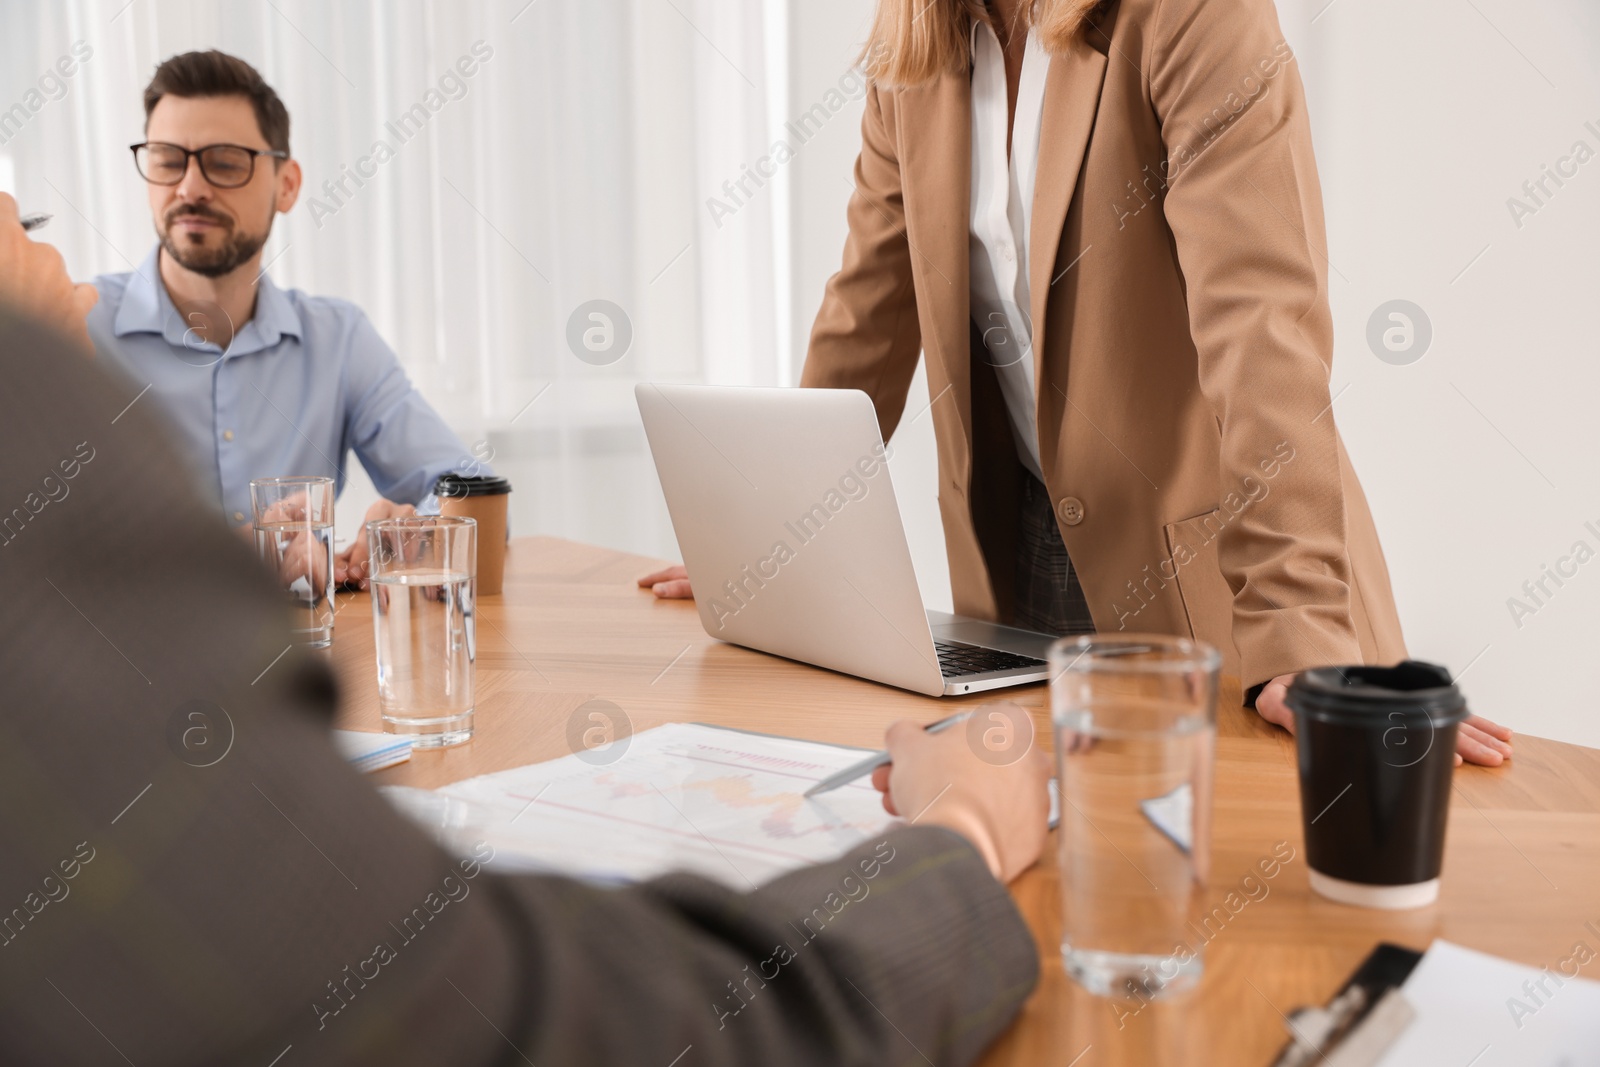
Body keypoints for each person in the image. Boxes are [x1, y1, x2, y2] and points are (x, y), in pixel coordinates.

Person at [0, 195, 1048, 1064]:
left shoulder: (326, 333)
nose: (40, 238)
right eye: (17, 216)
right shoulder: (34, 415)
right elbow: (602, 1029)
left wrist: (397, 526)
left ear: (281, 179)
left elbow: (457, 482)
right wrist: (965, 832)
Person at [642, 0, 1514, 767]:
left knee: (1249, 904)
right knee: (1052, 898)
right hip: (1019, 566)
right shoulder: (915, 43)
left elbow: (1263, 329)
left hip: (1225, 578)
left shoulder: (1191, 12)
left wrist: (1302, 630)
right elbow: (869, 307)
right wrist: (779, 524)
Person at [86, 50, 480, 587]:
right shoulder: (72, 328)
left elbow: (469, 491)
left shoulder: (338, 341)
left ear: (287, 185)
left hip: (302, 659)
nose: (190, 187)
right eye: (167, 159)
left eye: (224, 161)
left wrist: (419, 535)